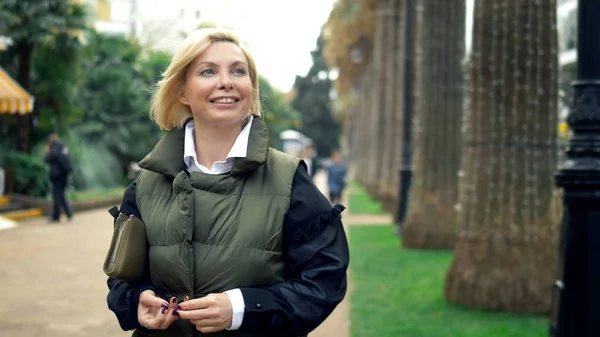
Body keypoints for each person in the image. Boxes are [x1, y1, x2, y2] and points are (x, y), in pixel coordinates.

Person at [106, 27, 349, 337]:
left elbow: (324, 280)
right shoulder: (145, 184)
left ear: (250, 87)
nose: (226, 82)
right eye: (208, 71)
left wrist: (241, 308)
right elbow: (121, 275)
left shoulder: (289, 180)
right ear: (182, 91)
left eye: (238, 71)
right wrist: (136, 299)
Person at [44, 133, 73, 223]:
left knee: (57, 195)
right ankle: (68, 213)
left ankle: (56, 216)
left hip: (56, 176)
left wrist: (48, 151)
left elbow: (46, 159)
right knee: (61, 195)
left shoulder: (53, 149)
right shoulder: (63, 148)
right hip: (64, 175)